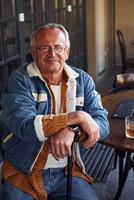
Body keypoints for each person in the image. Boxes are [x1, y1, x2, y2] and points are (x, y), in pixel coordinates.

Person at [1, 23, 109, 200]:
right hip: (23, 172)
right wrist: (77, 117)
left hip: (67, 171)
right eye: (44, 48)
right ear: (33, 52)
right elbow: (25, 126)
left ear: (67, 52)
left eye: (58, 47)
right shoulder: (20, 80)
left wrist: (72, 130)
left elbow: (102, 123)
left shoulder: (82, 80)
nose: (52, 54)